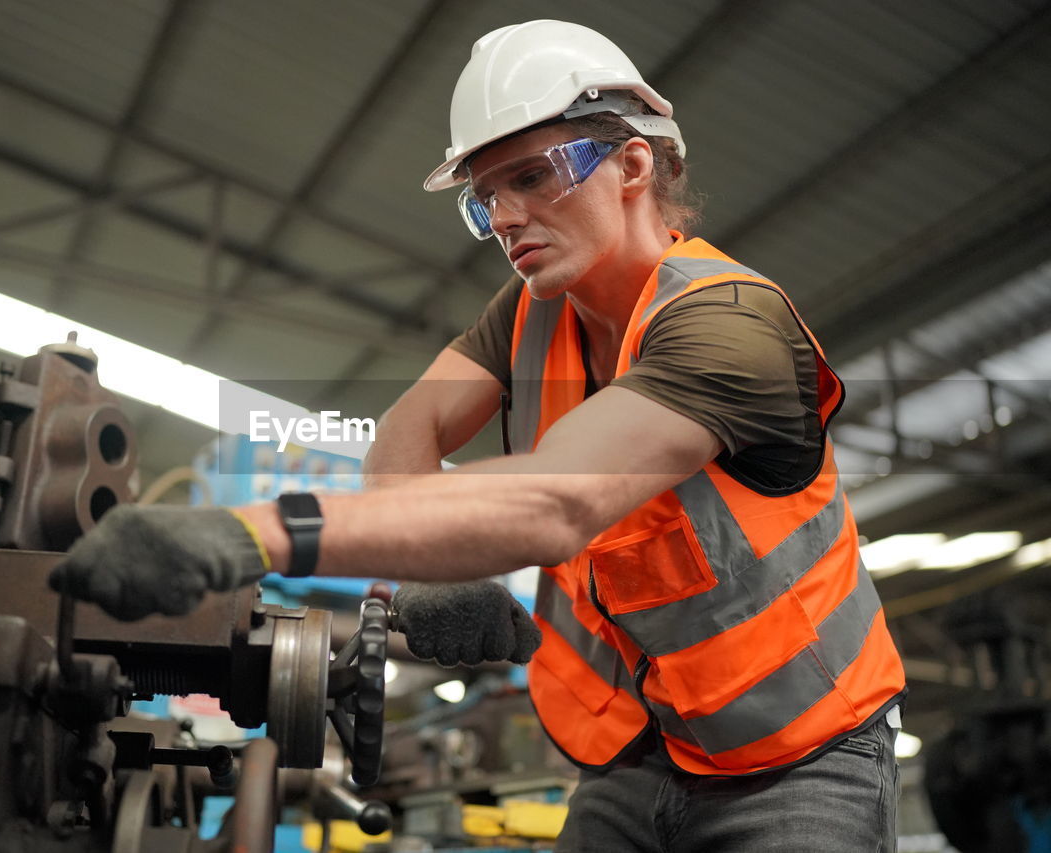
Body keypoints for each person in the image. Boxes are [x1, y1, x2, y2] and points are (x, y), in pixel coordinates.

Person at [51, 19, 906, 852]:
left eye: (532, 177)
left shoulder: (731, 326)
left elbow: (554, 502)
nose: (503, 216)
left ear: (633, 163)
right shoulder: (532, 313)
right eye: (486, 195)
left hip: (801, 757)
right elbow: (409, 423)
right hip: (634, 754)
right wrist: (421, 573)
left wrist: (253, 532)